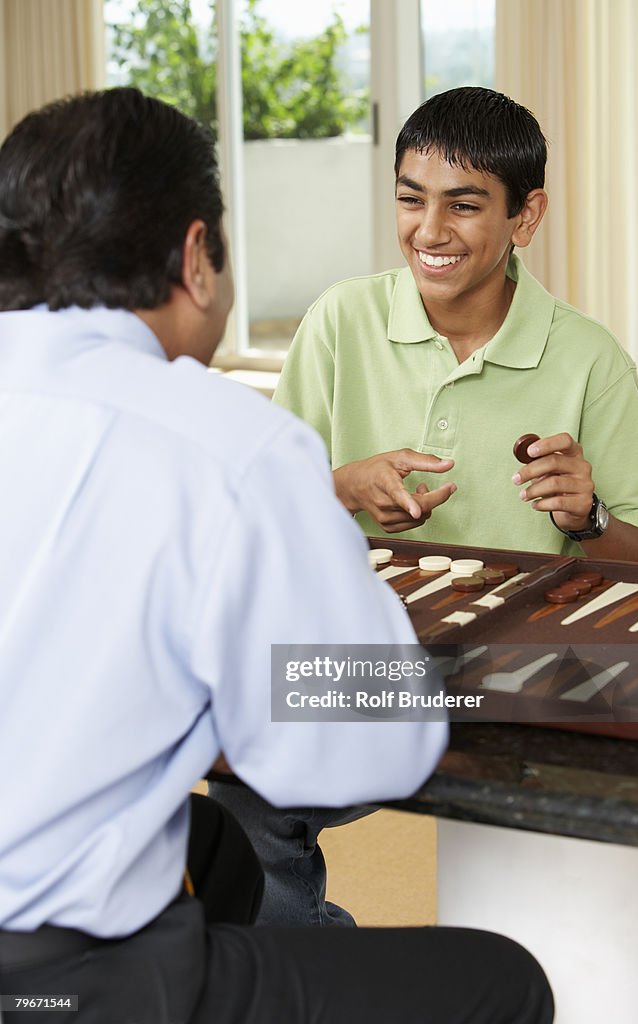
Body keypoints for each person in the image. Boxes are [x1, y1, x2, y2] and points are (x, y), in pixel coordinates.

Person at [0, 88, 554, 1024]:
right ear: (195, 258)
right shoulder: (225, 443)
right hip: (50, 983)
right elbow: (356, 749)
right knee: (502, 983)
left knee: (212, 845)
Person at [211, 86, 638, 924]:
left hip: (522, 677)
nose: (429, 231)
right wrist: (340, 486)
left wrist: (590, 518)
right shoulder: (338, 321)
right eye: (410, 200)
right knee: (235, 792)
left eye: (463, 206)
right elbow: (255, 518)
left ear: (524, 217)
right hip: (359, 662)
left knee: (592, 829)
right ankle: (312, 973)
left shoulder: (587, 358)